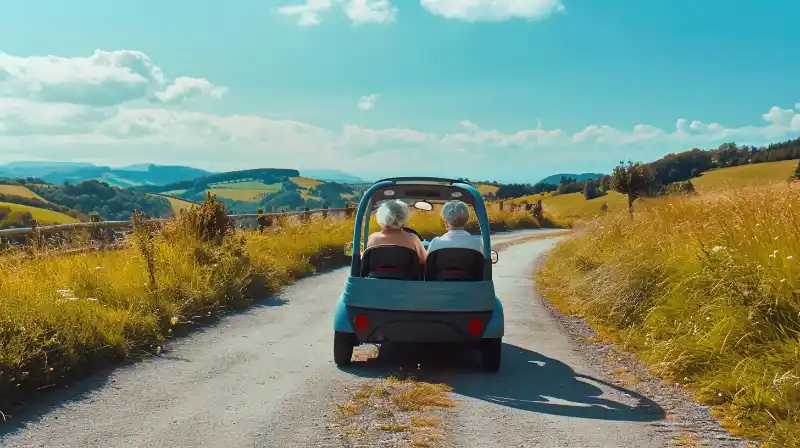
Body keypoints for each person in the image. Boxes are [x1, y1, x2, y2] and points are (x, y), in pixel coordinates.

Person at [366, 199, 427, 265]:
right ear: (404, 218)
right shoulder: (412, 239)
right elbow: (425, 261)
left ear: (381, 216)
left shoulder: (373, 238)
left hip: (376, 275)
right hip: (406, 275)